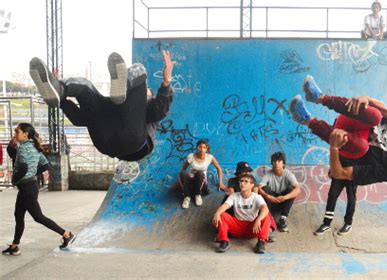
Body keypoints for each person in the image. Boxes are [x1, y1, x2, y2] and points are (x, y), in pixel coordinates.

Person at [288, 75, 387, 235]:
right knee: (376, 115)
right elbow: (386, 111)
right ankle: (319, 97)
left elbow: (340, 173)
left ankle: (306, 119)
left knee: (361, 147)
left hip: (346, 143)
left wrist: (334, 147)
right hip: (353, 121)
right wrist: (366, 99)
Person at [29, 50, 175, 161]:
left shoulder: (145, 107)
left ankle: (125, 83)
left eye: (148, 92)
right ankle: (60, 89)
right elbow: (81, 119)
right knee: (85, 87)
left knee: (139, 69)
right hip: (108, 141)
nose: (147, 91)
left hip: (130, 141)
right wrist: (62, 101)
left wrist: (166, 82)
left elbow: (159, 111)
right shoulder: (107, 106)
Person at [2, 123, 75, 256]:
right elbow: (45, 164)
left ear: (25, 134)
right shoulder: (34, 147)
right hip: (29, 186)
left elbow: (23, 167)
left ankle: (66, 234)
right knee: (18, 215)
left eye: (17, 132)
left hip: (27, 188)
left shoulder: (23, 148)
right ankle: (14, 246)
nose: (15, 134)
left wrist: (15, 179)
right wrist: (33, 173)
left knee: (38, 217)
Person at [212, 173, 272, 254]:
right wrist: (217, 213)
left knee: (266, 216)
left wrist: (258, 219)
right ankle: (224, 241)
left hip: (253, 228)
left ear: (252, 185)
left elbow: (265, 208)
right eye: (241, 181)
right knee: (222, 214)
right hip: (237, 228)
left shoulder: (257, 197)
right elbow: (225, 205)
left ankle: (261, 243)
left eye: (245, 182)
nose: (242, 183)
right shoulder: (234, 196)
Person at [257, 152, 301, 232]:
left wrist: (284, 197)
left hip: (283, 202)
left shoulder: (288, 174)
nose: (276, 163)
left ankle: (282, 219)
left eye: (279, 161)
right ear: (272, 163)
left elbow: (298, 190)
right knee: (265, 188)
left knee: (292, 189)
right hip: (272, 202)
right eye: (274, 161)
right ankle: (268, 217)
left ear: (283, 163)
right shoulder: (268, 174)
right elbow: (258, 188)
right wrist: (268, 196)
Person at [178, 139, 224, 209]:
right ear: (197, 148)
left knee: (199, 173)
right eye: (200, 147)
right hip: (191, 180)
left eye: (204, 147)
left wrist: (220, 182)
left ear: (207, 149)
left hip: (202, 182)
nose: (202, 149)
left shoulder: (209, 157)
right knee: (184, 173)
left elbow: (219, 168)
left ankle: (198, 195)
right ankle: (187, 197)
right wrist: (182, 180)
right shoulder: (191, 156)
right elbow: (183, 169)